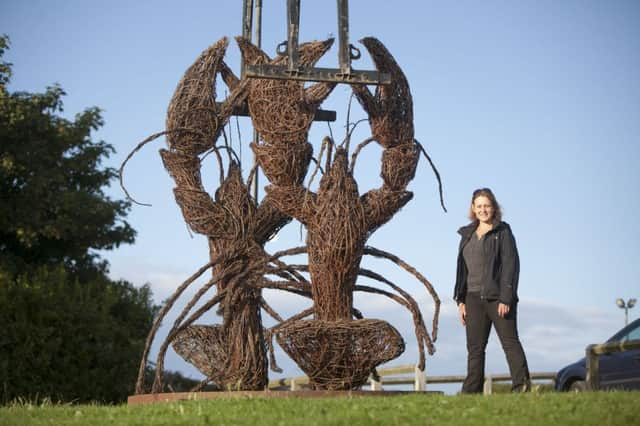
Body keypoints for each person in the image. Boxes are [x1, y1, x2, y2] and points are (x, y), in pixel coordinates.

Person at [453, 188, 531, 393]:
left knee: (510, 343)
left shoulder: (502, 232)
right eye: (479, 206)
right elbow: (462, 269)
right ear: (473, 208)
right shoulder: (466, 234)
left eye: (486, 205)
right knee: (475, 349)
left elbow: (510, 266)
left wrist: (507, 297)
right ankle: (471, 393)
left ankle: (521, 388)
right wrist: (460, 301)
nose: (483, 210)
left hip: (498, 298)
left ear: (493, 207)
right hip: (472, 298)